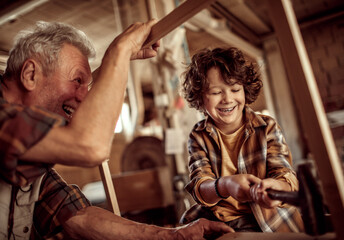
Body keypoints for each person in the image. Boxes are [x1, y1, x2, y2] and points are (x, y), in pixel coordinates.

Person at [0, 21, 234, 239]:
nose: (84, 96)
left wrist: (174, 235)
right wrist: (119, 51)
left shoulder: (32, 156)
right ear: (31, 75)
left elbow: (75, 215)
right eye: (77, 81)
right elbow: (90, 146)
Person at [180, 47, 304, 232]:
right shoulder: (198, 136)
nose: (227, 99)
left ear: (245, 90)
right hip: (222, 225)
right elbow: (199, 186)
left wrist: (276, 190)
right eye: (215, 92)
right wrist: (225, 185)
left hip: (272, 223)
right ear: (200, 97)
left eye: (235, 89)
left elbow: (285, 175)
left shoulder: (267, 126)